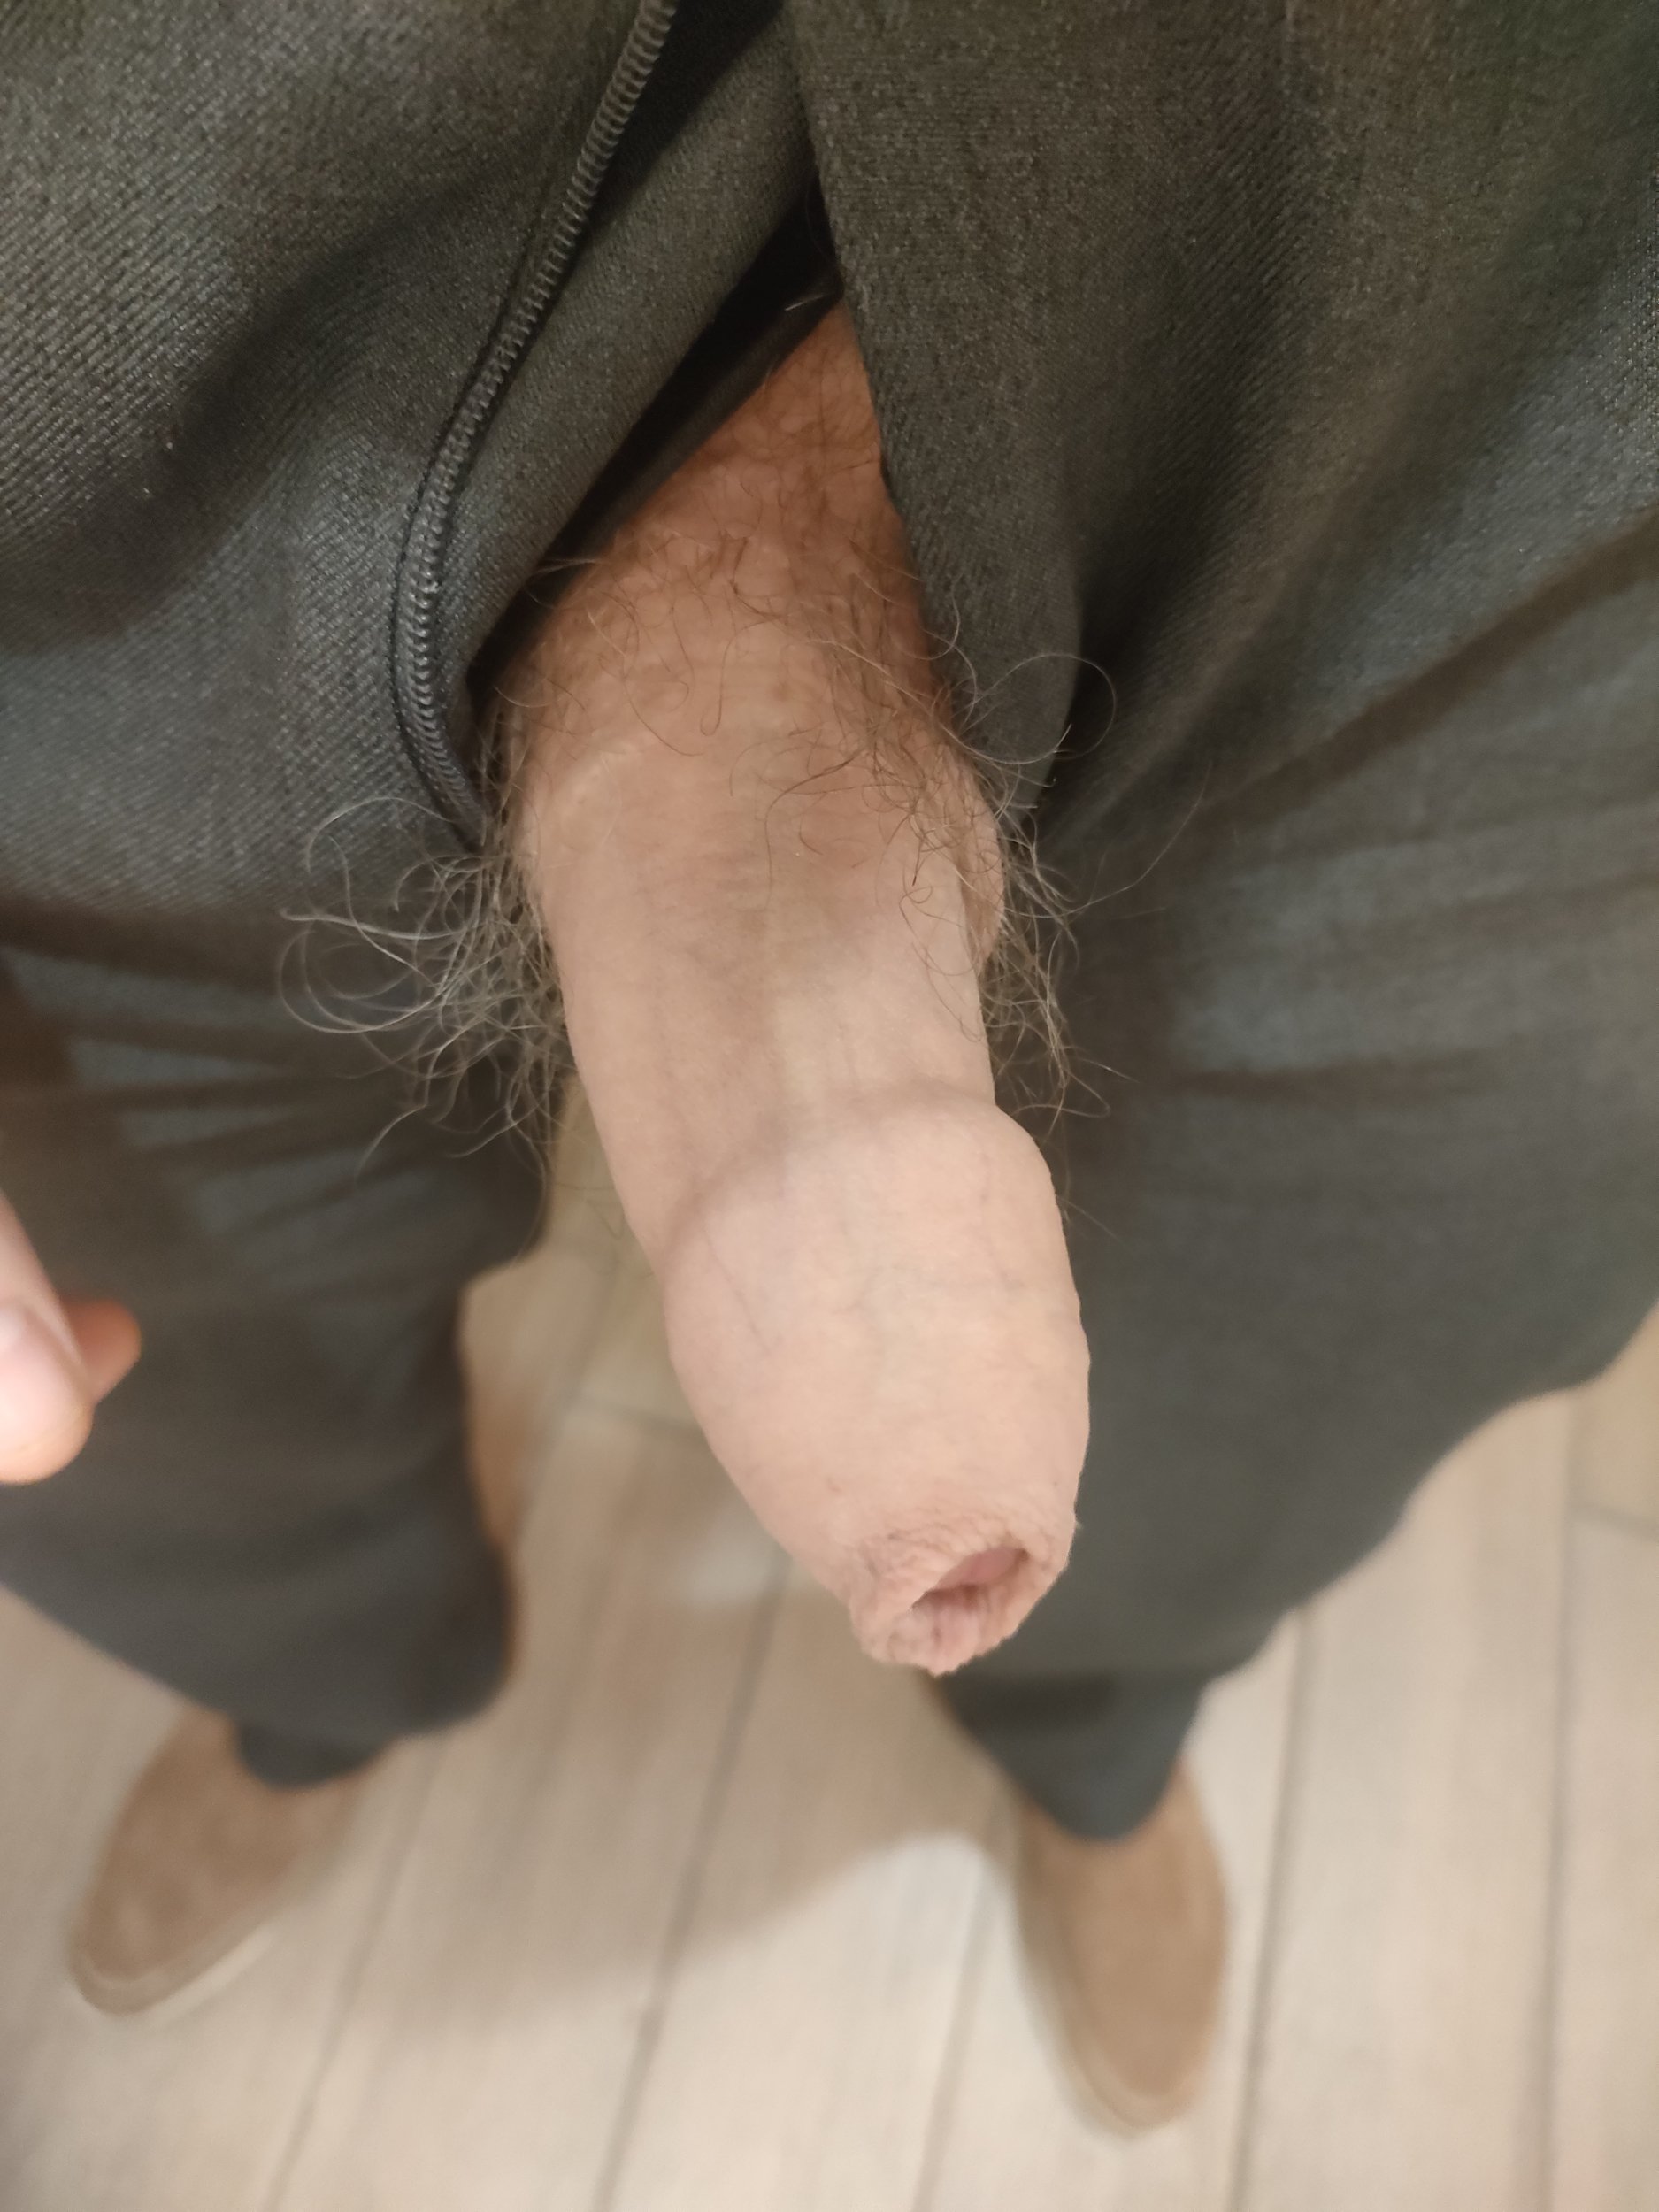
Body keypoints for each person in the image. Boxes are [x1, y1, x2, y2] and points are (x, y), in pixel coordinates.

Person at [2, 0, 1655, 2134]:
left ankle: (1090, 1744)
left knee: (1338, 1264)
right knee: (134, 1319)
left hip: (1502, 247)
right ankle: (308, 1690)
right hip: (148, 221)